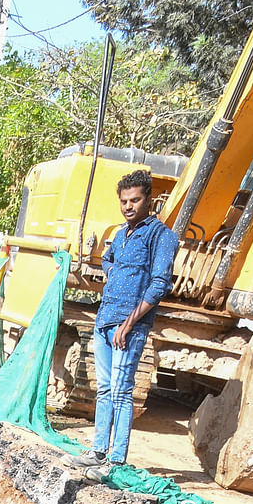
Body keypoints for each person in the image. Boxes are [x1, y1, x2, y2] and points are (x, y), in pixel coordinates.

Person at [72, 168, 177, 472]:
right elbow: (108, 259)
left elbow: (159, 285)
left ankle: (116, 460)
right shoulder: (121, 235)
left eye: (135, 200)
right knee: (104, 389)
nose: (129, 206)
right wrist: (114, 275)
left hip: (128, 327)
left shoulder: (161, 236)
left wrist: (129, 323)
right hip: (105, 320)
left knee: (121, 391)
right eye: (124, 201)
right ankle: (98, 451)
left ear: (149, 200)